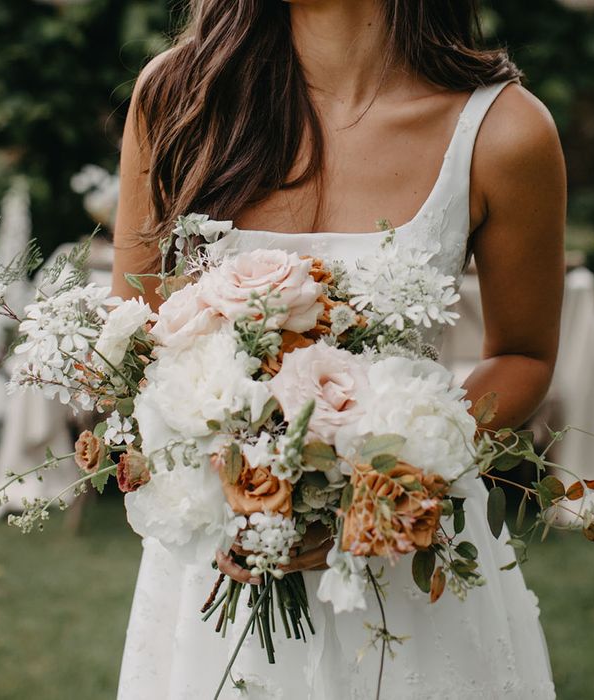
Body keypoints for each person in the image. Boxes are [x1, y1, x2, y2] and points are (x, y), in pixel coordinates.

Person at [112, 1, 565, 697]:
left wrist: (379, 480)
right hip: (218, 550)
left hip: (408, 559)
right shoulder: (180, 97)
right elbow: (134, 335)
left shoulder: (505, 129)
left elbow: (525, 354)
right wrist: (229, 476)